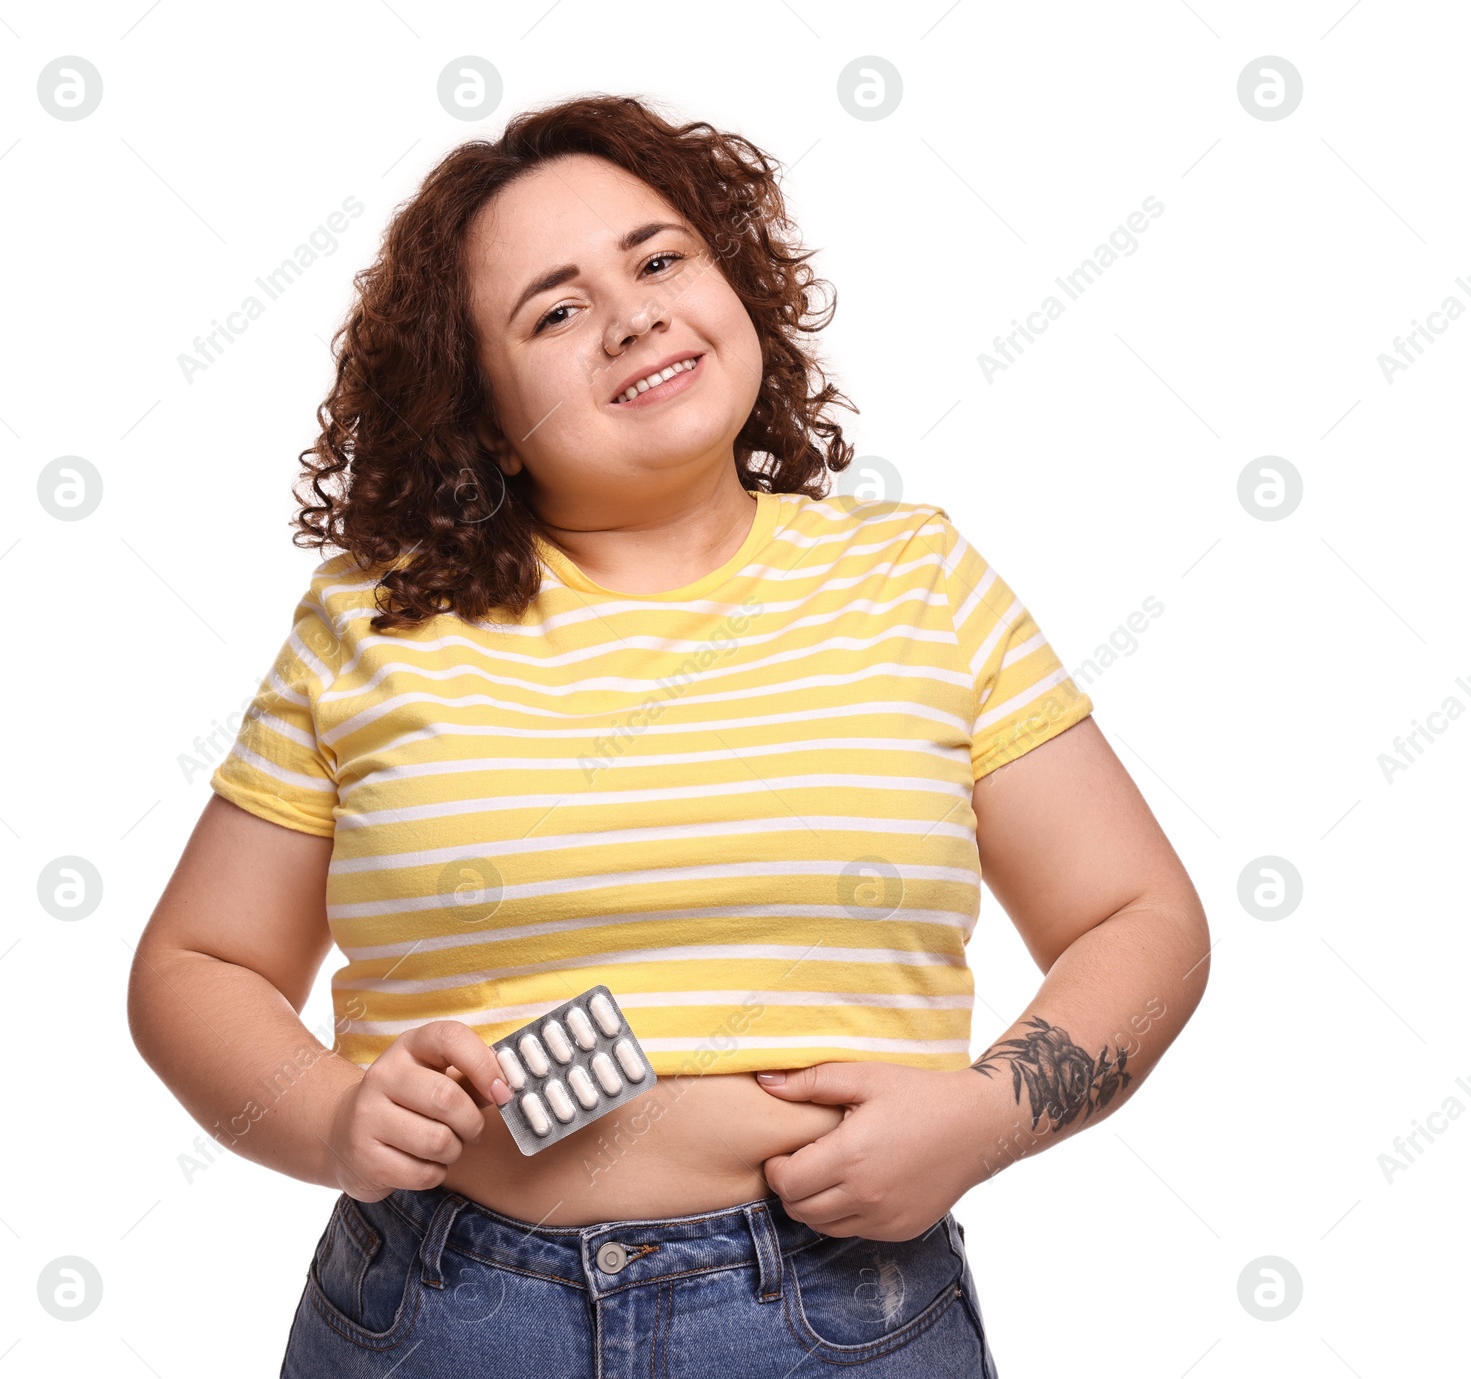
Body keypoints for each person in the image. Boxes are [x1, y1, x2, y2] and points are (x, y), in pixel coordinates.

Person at [128, 93, 1211, 1378]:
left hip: (835, 1315)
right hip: (440, 1310)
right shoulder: (370, 620)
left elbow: (1141, 917)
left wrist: (985, 1116)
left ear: (732, 278)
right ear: (474, 405)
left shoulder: (915, 578)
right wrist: (331, 1115)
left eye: (657, 259)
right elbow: (194, 962)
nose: (633, 311)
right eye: (556, 308)